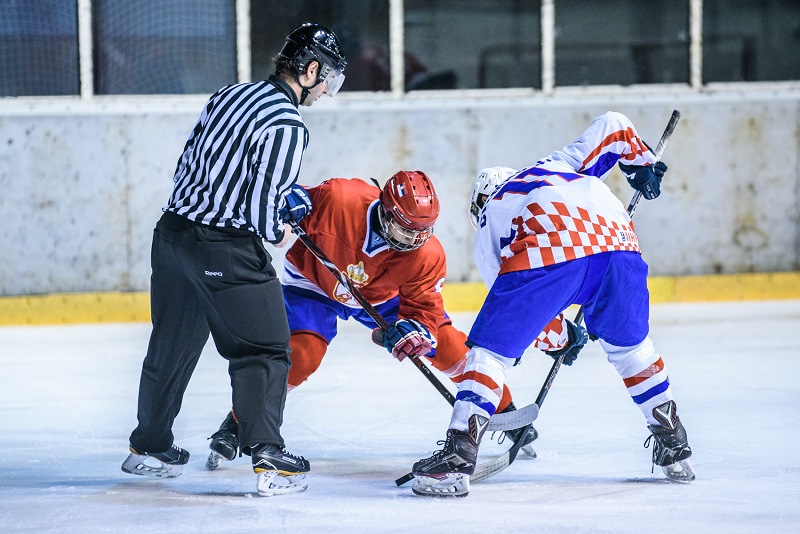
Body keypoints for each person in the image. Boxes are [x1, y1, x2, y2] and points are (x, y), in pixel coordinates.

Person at [410, 111, 696, 498]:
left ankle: (458, 457)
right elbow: (614, 125)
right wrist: (641, 164)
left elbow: (518, 309)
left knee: (489, 352)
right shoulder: (554, 166)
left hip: (550, 248)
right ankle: (673, 442)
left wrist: (561, 337)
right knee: (633, 352)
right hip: (620, 245)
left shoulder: (493, 212)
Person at [121, 22, 347, 497]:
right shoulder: (287, 123)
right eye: (327, 77)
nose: (327, 89)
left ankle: (149, 446)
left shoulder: (229, 94)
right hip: (223, 246)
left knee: (172, 345)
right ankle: (268, 456)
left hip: (171, 238)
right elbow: (265, 213)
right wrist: (286, 222)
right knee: (265, 349)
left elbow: (194, 162)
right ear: (308, 70)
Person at [204, 171, 539, 471]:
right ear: (385, 211)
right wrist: (289, 199)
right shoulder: (340, 198)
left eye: (423, 231)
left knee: (449, 346)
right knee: (301, 356)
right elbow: (292, 196)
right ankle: (235, 424)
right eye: (406, 229)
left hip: (383, 296)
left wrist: (416, 330)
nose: (414, 240)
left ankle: (505, 413)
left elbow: (425, 311)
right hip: (315, 282)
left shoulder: (428, 254)